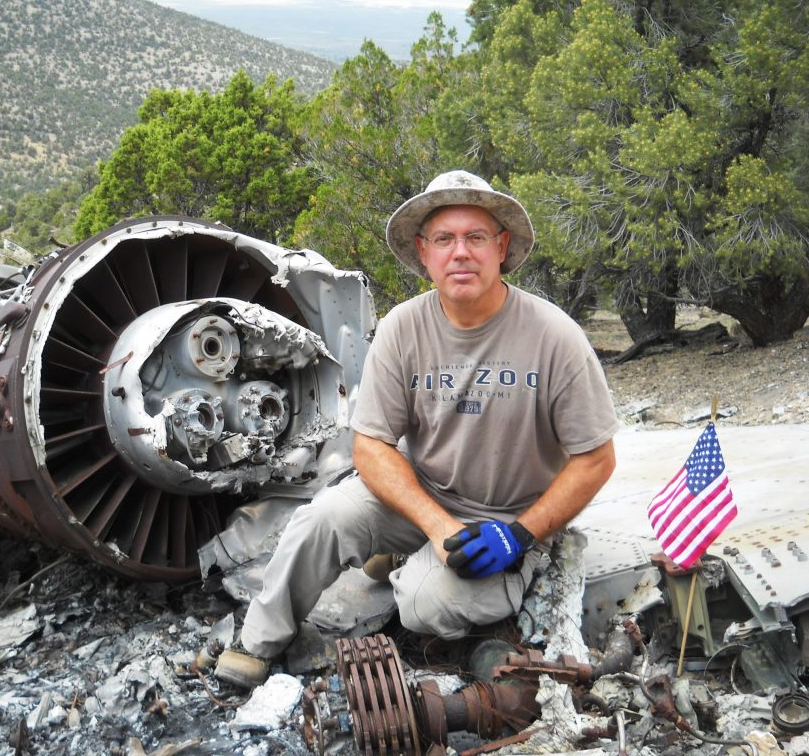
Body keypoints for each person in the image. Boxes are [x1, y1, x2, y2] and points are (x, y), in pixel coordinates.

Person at [215, 170, 618, 688]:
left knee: (425, 609)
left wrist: (522, 534)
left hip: (505, 518)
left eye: (475, 237)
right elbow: (372, 445)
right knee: (321, 519)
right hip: (421, 498)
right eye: (445, 239)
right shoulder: (403, 327)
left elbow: (595, 459)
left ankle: (436, 565)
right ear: (424, 253)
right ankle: (258, 641)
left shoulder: (555, 336)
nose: (461, 253)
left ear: (502, 248)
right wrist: (434, 526)